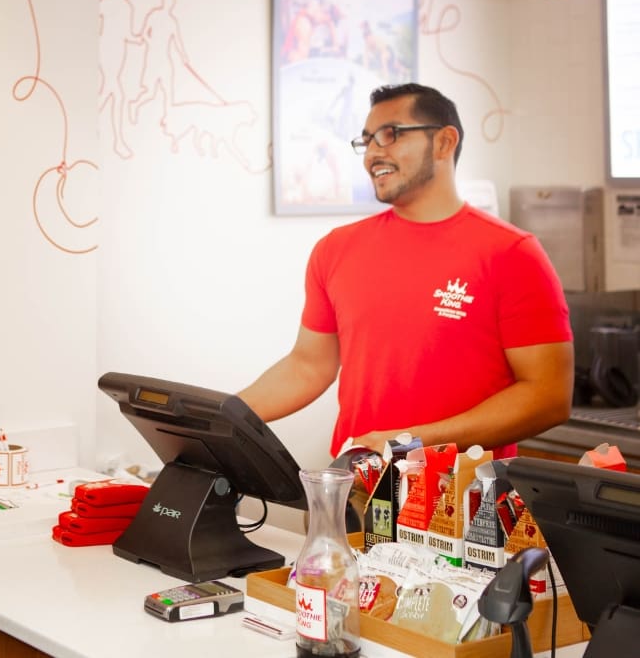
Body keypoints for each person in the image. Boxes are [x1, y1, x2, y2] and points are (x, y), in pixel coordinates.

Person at [239, 83, 573, 460]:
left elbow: (548, 397)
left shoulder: (512, 254)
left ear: (444, 143)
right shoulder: (336, 249)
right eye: (367, 141)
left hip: (459, 504)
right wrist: (225, 417)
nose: (373, 154)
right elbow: (308, 365)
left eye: (390, 134)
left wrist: (410, 443)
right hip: (359, 488)